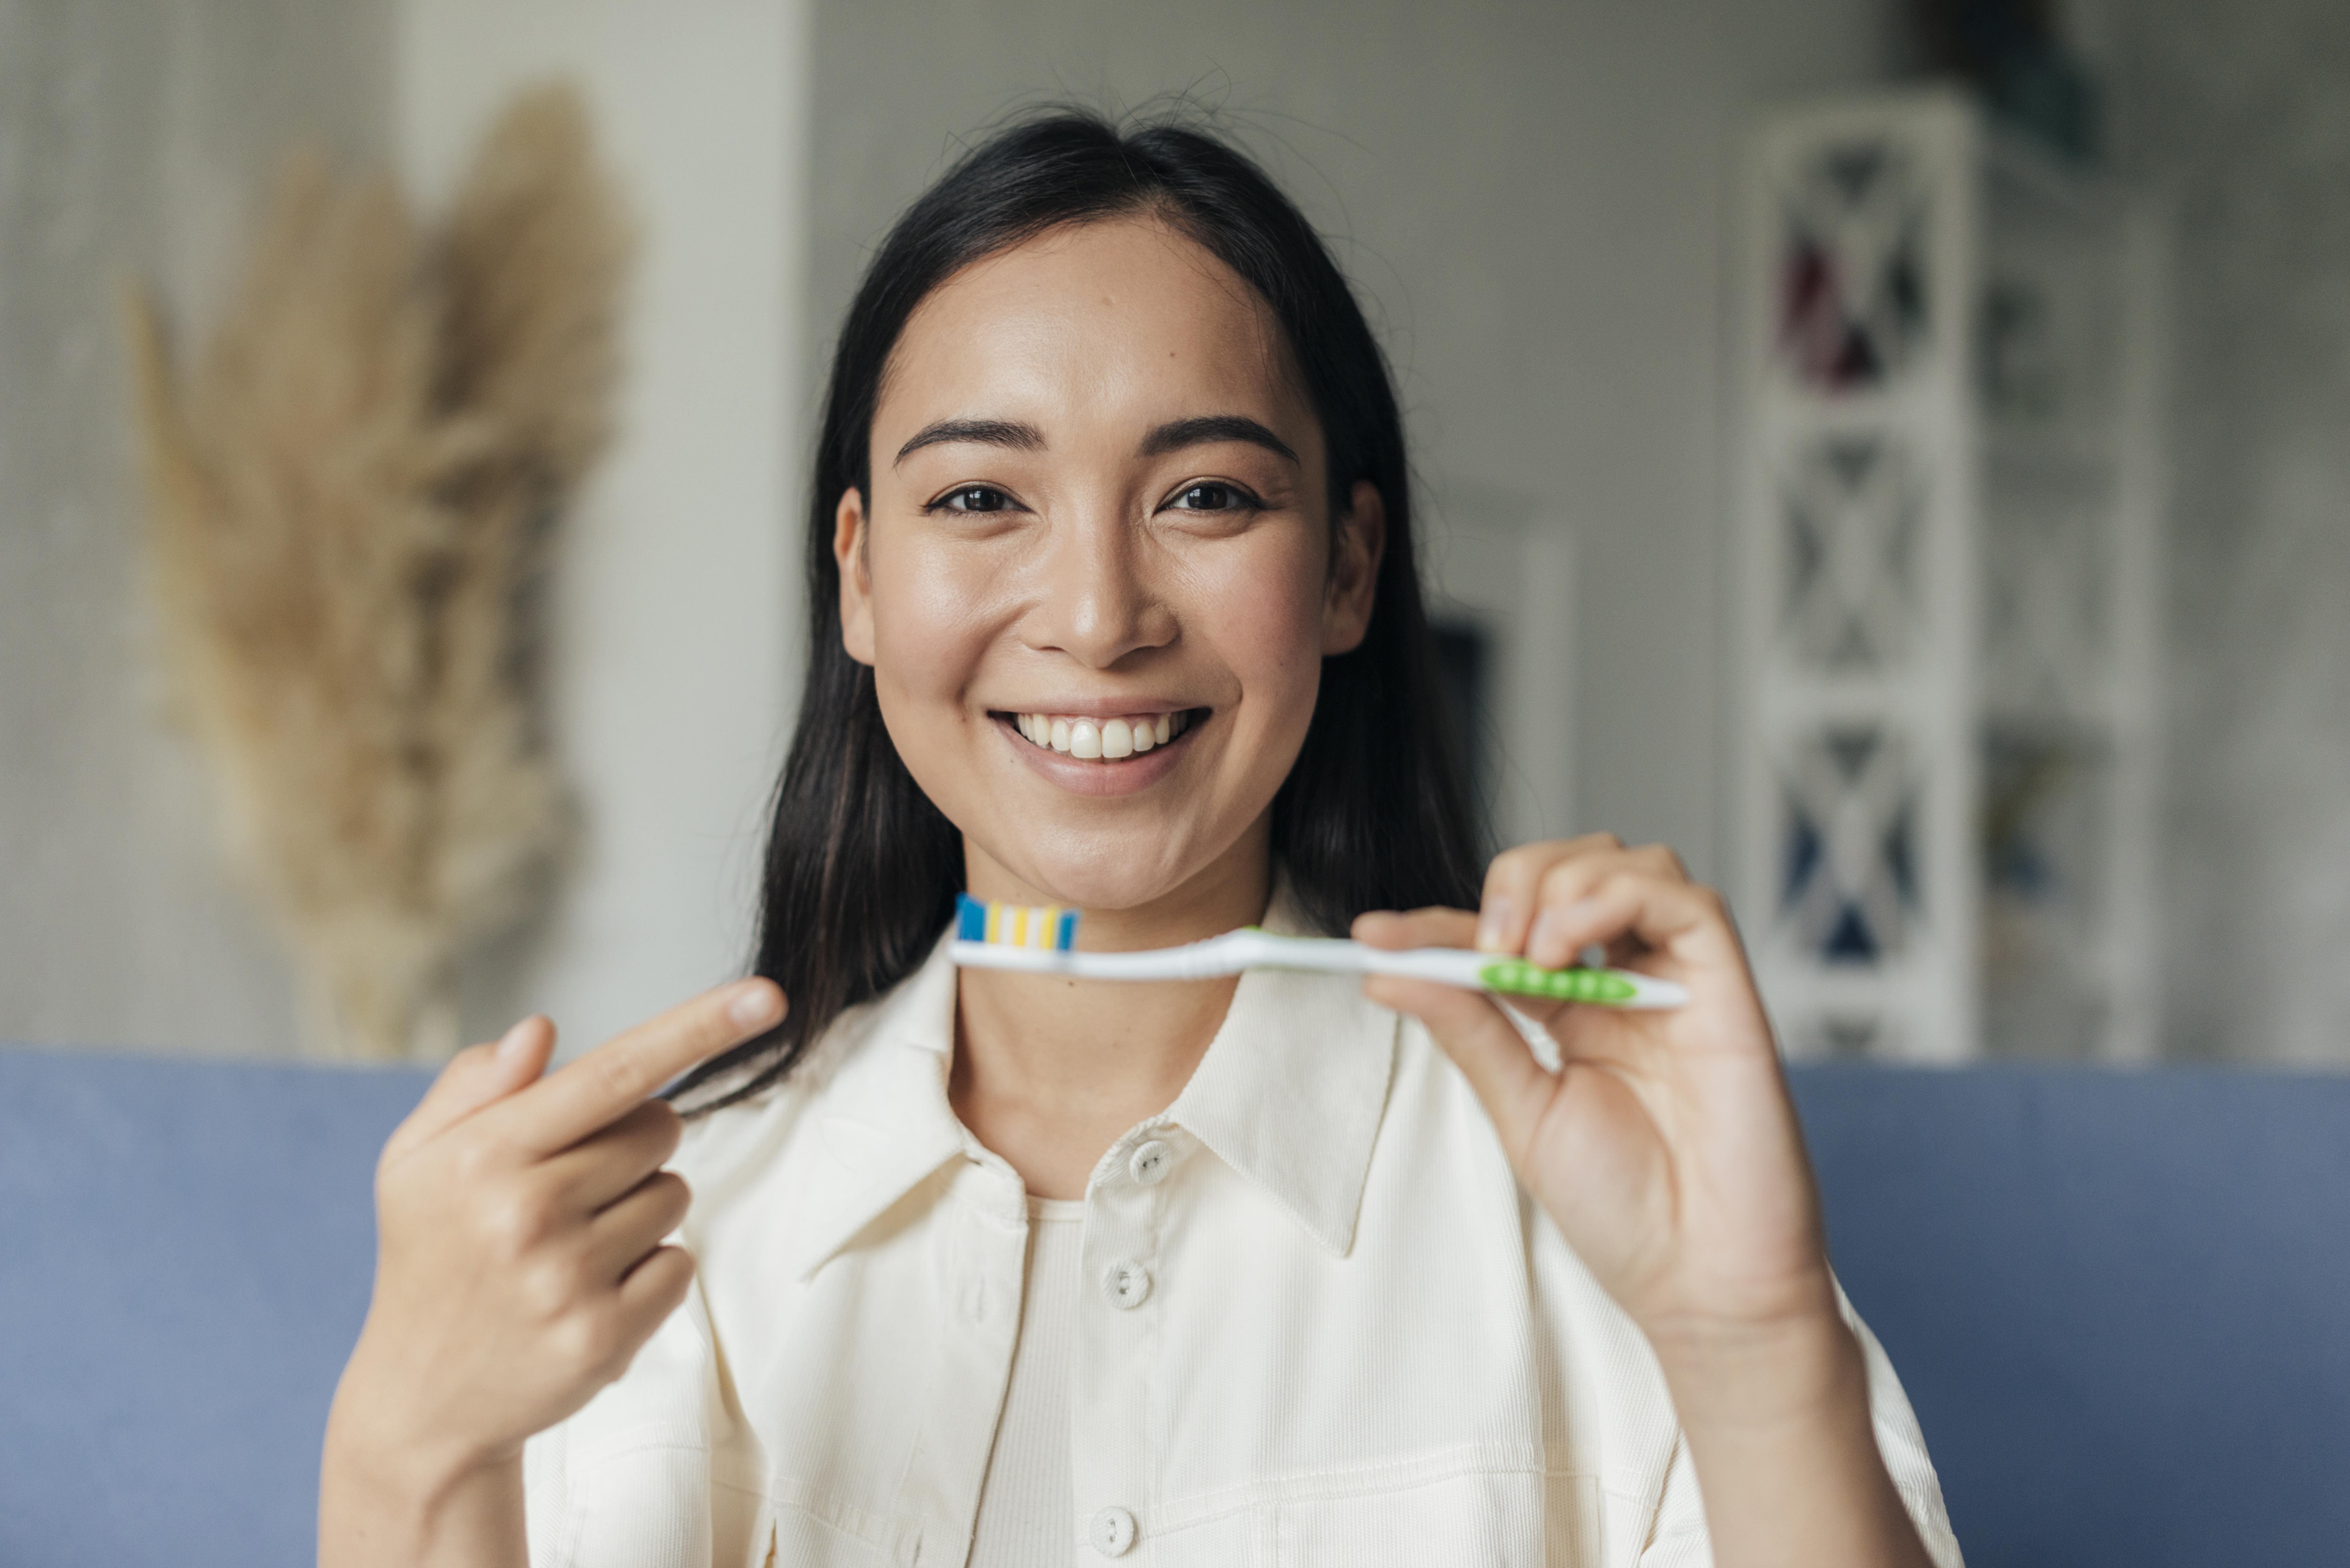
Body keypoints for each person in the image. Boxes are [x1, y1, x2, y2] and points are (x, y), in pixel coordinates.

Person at [320, 111, 1963, 1568]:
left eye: (1207, 498)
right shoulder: (663, 1233)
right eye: (980, 499)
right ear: (862, 578)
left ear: (1345, 569)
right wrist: (412, 1442)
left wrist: (1747, 1341)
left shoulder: (1594, 1196)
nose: (1099, 619)